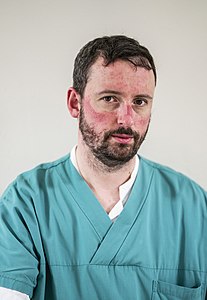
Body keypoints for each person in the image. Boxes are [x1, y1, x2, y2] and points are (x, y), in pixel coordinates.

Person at [0, 35, 206, 300]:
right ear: (75, 103)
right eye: (110, 99)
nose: (126, 118)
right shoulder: (26, 204)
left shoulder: (194, 208)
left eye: (140, 102)